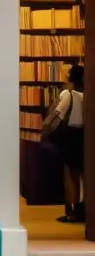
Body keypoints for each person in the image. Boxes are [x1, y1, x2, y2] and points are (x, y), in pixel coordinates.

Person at [54, 65, 85, 223]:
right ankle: (83, 208)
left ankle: (71, 211)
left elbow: (57, 114)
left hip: (72, 135)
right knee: (83, 175)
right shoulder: (88, 93)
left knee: (70, 175)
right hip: (86, 135)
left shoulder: (69, 94)